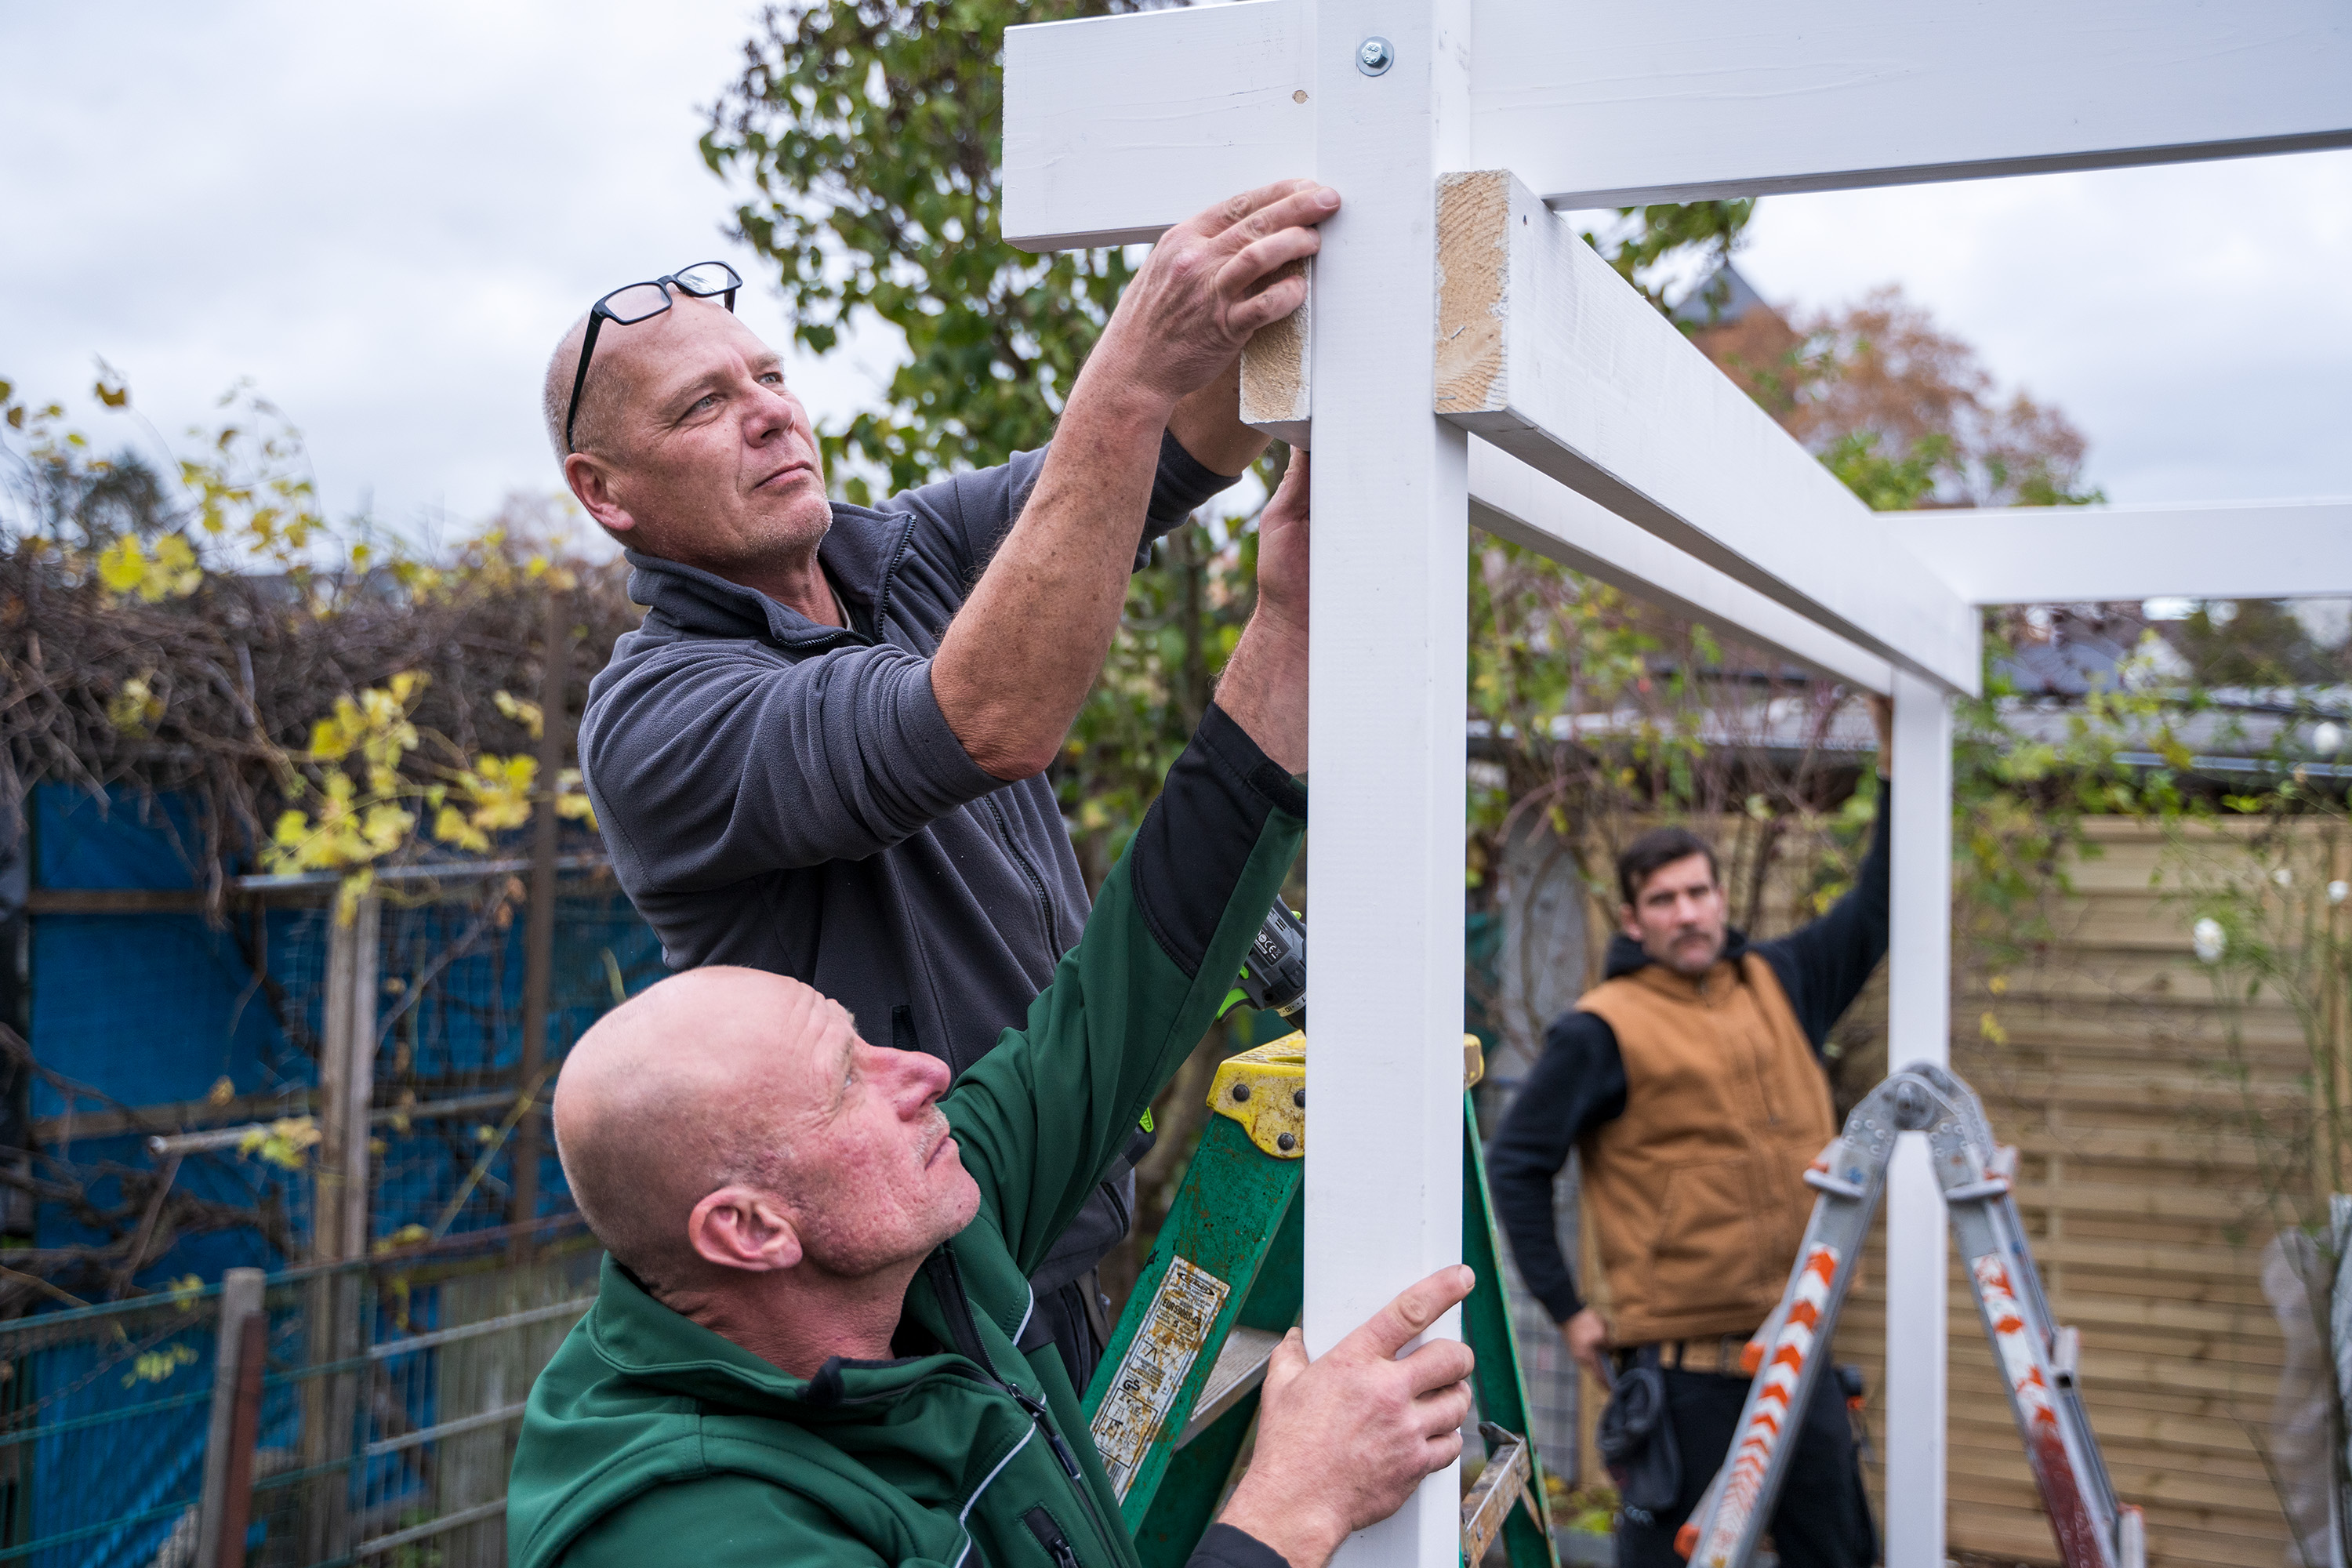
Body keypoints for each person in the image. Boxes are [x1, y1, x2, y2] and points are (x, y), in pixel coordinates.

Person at [508, 458, 1478, 1568]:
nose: (920, 1072)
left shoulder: (923, 1248)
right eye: (848, 1083)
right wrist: (1287, 1512)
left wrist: (1292, 622)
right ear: (751, 1230)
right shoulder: (696, 1530)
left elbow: (1126, 988)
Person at [549, 180, 1338, 1389]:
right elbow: (985, 720)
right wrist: (1121, 371)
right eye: (703, 405)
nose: (767, 415)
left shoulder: (908, 555)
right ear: (607, 493)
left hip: (1053, 1245)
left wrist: (1287, 285)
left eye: (768, 378)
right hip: (888, 1307)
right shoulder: (662, 715)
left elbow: (1174, 447)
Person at [1487, 706, 1893, 1568]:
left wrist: (1895, 759)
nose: (1688, 912)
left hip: (1799, 1353)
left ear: (1719, 895)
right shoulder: (1602, 1028)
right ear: (1634, 920)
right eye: (1663, 900)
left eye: (1698, 892)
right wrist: (1567, 1309)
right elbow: (1516, 1163)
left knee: (1846, 1557)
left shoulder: (1782, 982)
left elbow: (1877, 907)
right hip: (1683, 1377)